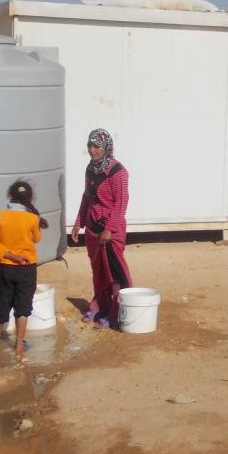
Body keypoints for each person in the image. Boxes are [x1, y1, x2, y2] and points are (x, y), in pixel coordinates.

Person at [70, 128, 131, 328]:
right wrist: (79, 222)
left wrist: (110, 229)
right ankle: (100, 307)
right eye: (90, 145)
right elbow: (87, 196)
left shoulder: (118, 172)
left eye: (96, 146)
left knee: (115, 273)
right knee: (98, 272)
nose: (92, 150)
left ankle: (117, 312)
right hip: (93, 230)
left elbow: (121, 203)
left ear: (105, 147)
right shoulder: (91, 168)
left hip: (110, 233)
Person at [0, 179, 49, 352]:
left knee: (3, 302)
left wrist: (10, 255)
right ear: (30, 198)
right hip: (27, 266)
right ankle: (19, 344)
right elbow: (36, 239)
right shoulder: (32, 218)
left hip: (7, 266)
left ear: (9, 196)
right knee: (23, 306)